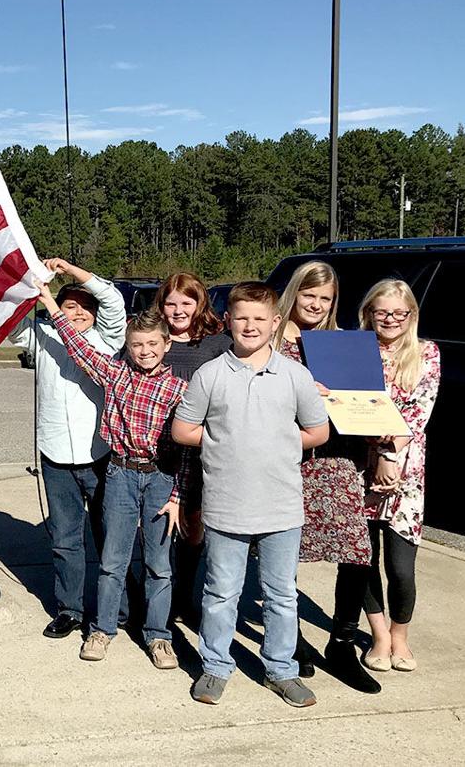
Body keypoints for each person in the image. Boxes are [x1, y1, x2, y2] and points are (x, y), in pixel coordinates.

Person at [173, 282, 330, 708]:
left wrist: (278, 439)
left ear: (275, 322)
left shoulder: (295, 376)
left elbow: (319, 431)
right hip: (227, 504)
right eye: (241, 317)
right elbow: (182, 429)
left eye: (260, 319)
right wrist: (226, 438)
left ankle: (281, 670)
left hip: (281, 506)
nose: (250, 326)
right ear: (228, 320)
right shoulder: (210, 374)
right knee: (221, 592)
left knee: (281, 594)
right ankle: (215, 666)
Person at [37, 281, 185, 671]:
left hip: (161, 478)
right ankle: (101, 630)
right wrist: (50, 302)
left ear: (167, 345)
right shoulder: (115, 374)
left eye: (153, 344)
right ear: (127, 346)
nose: (145, 351)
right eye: (137, 345)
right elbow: (77, 345)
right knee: (112, 559)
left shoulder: (179, 389)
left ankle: (158, 636)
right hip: (119, 472)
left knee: (158, 562)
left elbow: (192, 444)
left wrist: (179, 495)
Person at [273, 261, 380, 693]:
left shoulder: (342, 344)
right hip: (286, 462)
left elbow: (368, 399)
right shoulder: (272, 341)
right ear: (294, 293)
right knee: (284, 554)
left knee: (356, 551)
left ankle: (342, 643)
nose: (316, 305)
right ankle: (290, 639)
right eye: (308, 295)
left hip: (338, 460)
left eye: (325, 298)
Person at [10, 258, 127, 639]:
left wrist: (70, 270)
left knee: (110, 532)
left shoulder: (107, 339)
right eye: (68, 305)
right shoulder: (42, 335)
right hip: (55, 452)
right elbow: (11, 325)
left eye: (83, 307)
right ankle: (70, 608)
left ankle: (121, 604)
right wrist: (31, 285)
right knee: (65, 538)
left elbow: (111, 299)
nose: (75, 313)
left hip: (100, 452)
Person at [357, 280, 440, 674]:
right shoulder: (356, 351)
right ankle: (379, 636)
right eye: (381, 312)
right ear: (369, 312)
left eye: (398, 313)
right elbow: (347, 407)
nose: (389, 320)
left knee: (401, 566)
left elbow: (418, 414)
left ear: (411, 316)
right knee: (363, 559)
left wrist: (389, 455)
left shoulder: (427, 354)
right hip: (358, 465)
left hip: (405, 472)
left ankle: (401, 635)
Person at [154, 272, 231, 623]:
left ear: (200, 304)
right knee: (156, 531)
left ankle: (185, 598)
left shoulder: (218, 344)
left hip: (202, 452)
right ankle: (155, 599)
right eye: (171, 302)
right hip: (158, 452)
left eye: (186, 302)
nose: (178, 309)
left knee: (191, 532)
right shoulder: (152, 341)